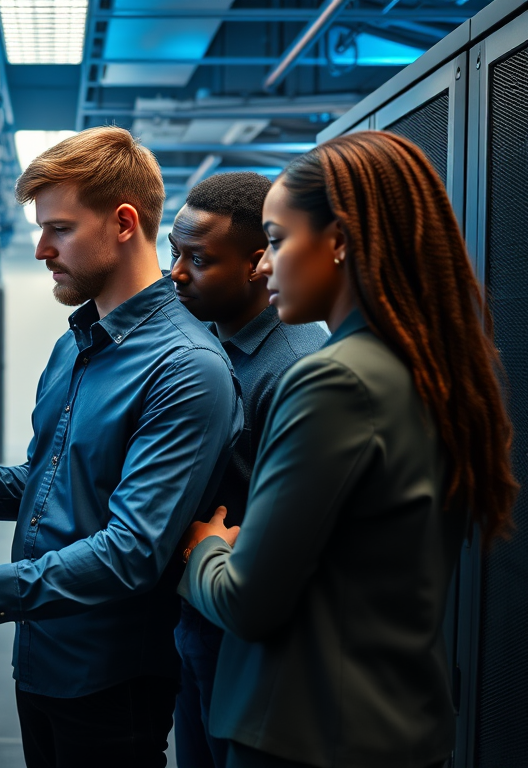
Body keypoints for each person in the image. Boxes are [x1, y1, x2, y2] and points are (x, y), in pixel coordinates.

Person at [0, 125, 243, 768]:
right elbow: (52, 486)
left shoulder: (187, 368)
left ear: (124, 223)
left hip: (110, 679)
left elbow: (132, 551)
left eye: (59, 229)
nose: (41, 248)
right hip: (39, 654)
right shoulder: (76, 343)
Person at [180, 131, 518, 768]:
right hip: (393, 728)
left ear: (337, 242)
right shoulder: (426, 366)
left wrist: (203, 552)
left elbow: (248, 602)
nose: (264, 265)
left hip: (304, 735)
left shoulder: (333, 380)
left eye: (277, 242)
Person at [168, 172, 327, 768]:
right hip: (194, 616)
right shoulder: (202, 342)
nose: (177, 272)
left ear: (259, 262)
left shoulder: (295, 369)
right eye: (174, 252)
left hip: (246, 638)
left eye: (199, 259)